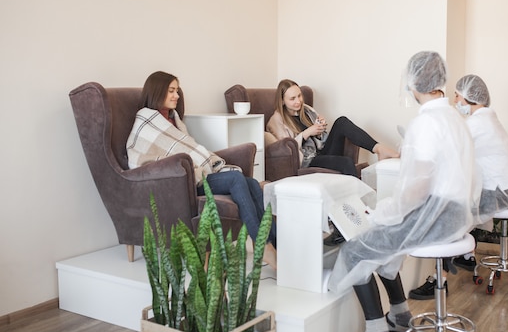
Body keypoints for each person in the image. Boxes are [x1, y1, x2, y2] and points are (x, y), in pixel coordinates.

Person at [327, 51, 476, 332]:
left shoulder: (426, 124)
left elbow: (415, 193)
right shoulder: (454, 117)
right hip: (456, 216)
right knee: (384, 241)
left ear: (414, 83)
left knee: (357, 249)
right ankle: (399, 315)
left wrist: (382, 212)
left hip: (436, 219)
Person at [126, 71, 277, 267]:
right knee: (235, 179)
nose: (177, 96)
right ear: (157, 91)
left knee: (251, 183)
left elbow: (187, 148)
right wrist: (189, 168)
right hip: (178, 183)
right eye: (171, 91)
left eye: (177, 91)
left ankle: (273, 242)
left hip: (193, 175)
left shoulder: (174, 120)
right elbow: (140, 159)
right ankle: (262, 246)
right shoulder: (146, 121)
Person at [409, 74, 508, 300]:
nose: (454, 100)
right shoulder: (488, 119)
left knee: (449, 216)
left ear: (469, 97)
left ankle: (438, 281)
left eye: (457, 95)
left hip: (501, 193)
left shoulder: (477, 123)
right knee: (462, 202)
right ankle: (467, 256)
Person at [266, 79, 399, 177]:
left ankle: (379, 148)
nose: (298, 101)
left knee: (342, 122)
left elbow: (321, 139)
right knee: (346, 162)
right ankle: (356, 202)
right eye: (292, 98)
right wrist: (307, 133)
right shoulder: (277, 120)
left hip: (322, 152)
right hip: (309, 161)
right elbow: (285, 151)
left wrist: (320, 127)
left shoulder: (306, 111)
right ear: (282, 101)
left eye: (299, 96)